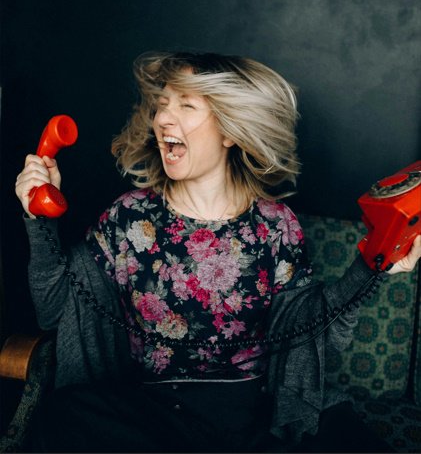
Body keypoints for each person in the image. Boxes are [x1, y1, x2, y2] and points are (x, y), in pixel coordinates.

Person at [15, 51, 421, 453]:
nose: (163, 118)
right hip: (153, 413)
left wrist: (371, 266)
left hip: (247, 417)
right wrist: (39, 218)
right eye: (162, 105)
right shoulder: (128, 216)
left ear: (230, 131)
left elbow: (312, 334)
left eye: (186, 105)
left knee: (345, 437)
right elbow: (54, 311)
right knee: (62, 415)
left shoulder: (275, 225)